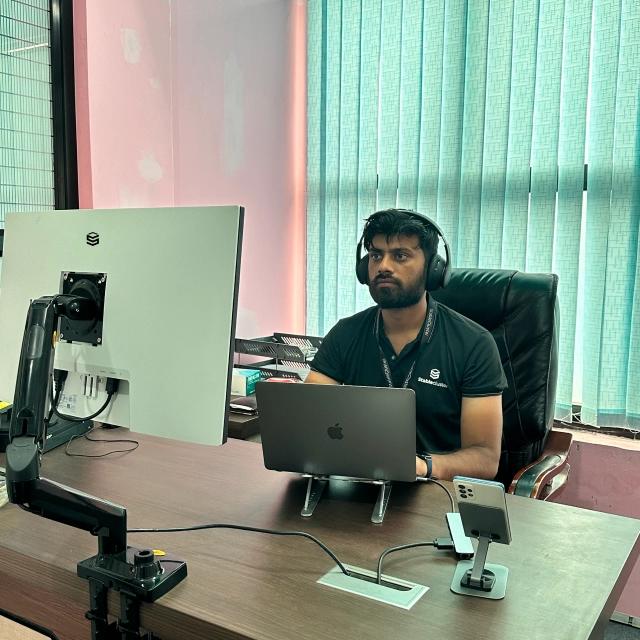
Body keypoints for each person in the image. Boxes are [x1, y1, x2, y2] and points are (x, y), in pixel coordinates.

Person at [306, 209, 507, 481]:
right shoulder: (345, 333)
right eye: (376, 255)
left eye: (400, 255)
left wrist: (422, 466)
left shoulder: (474, 344)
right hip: (359, 485)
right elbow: (307, 419)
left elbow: (484, 459)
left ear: (434, 269)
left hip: (435, 493)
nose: (384, 266)